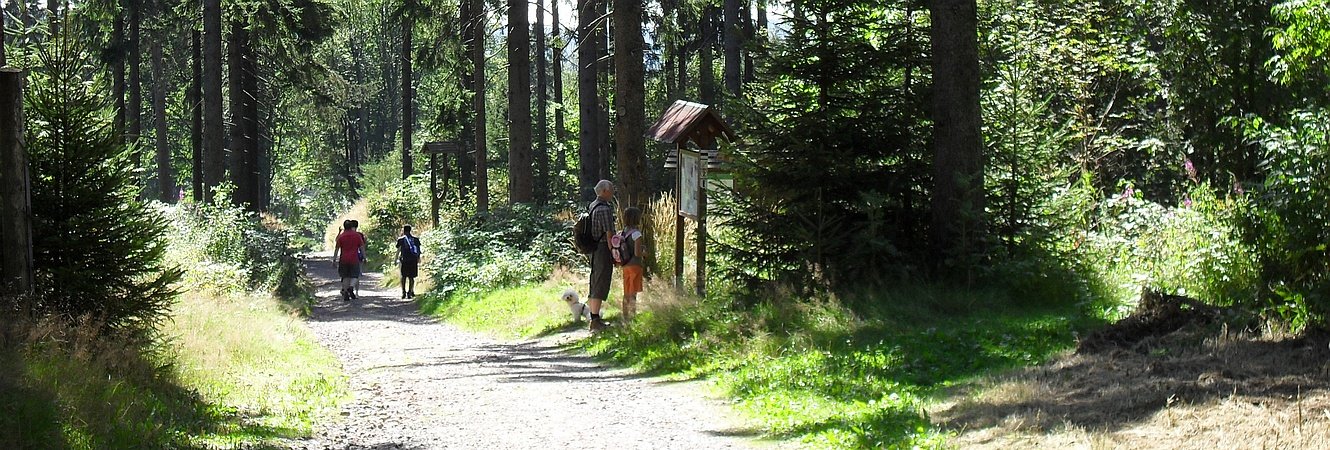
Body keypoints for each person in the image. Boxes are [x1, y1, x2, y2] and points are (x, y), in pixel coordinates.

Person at [586, 180, 616, 331]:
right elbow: (609, 233)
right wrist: (614, 251)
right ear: (604, 191)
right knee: (601, 281)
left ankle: (594, 317)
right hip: (603, 248)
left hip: (594, 248)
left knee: (595, 279)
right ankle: (595, 320)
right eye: (611, 190)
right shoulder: (604, 209)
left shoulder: (592, 205)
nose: (612, 193)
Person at [618, 206, 645, 324]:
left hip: (625, 265)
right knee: (633, 294)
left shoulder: (623, 232)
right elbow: (637, 253)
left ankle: (625, 317)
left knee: (626, 292)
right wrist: (645, 252)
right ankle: (633, 318)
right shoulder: (637, 234)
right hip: (635, 265)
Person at [332, 220, 366, 301]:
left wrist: (334, 260)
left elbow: (336, 249)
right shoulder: (357, 236)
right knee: (355, 275)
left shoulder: (341, 236)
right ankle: (351, 287)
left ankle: (346, 291)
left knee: (345, 276)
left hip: (343, 259)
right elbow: (361, 247)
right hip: (354, 259)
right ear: (351, 226)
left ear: (344, 227)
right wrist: (364, 257)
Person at [395, 225, 422, 299]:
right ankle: (410, 292)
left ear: (404, 230)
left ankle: (403, 292)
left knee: (403, 277)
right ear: (410, 230)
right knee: (411, 277)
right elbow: (418, 250)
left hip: (404, 260)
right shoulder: (416, 239)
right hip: (413, 260)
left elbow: (398, 248)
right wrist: (418, 259)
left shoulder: (401, 239)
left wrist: (396, 259)